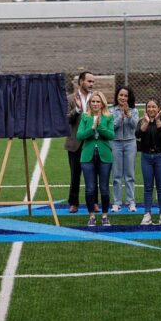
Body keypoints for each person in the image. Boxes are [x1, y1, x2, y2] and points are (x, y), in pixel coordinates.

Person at [77, 91, 114, 227]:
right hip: (87, 156)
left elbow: (111, 135)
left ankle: (105, 215)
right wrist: (92, 128)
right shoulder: (85, 117)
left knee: (104, 188)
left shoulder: (109, 117)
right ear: (89, 103)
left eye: (98, 101)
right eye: (93, 101)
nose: (95, 104)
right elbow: (80, 135)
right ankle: (91, 216)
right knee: (90, 188)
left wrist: (100, 126)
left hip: (105, 156)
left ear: (102, 103)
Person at [64, 71, 95, 214]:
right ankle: (73, 203)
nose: (91, 84)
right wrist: (77, 109)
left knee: (93, 174)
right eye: (89, 81)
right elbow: (66, 120)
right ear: (81, 81)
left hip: (91, 141)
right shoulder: (70, 98)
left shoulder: (96, 98)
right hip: (75, 142)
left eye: (92, 82)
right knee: (75, 174)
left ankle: (94, 202)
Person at [136, 99, 161, 225]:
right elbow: (138, 133)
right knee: (148, 187)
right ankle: (147, 213)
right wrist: (145, 122)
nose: (151, 109)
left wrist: (157, 120)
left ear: (158, 108)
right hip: (146, 157)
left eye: (154, 107)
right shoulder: (141, 121)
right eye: (149, 107)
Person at [110, 86, 139, 213]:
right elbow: (111, 127)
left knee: (129, 174)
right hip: (115, 143)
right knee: (116, 175)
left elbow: (135, 126)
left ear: (129, 97)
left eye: (125, 95)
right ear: (117, 96)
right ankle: (117, 202)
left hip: (130, 143)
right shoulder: (111, 110)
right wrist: (120, 117)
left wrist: (128, 114)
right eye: (121, 95)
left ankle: (131, 201)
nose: (123, 98)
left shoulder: (134, 110)